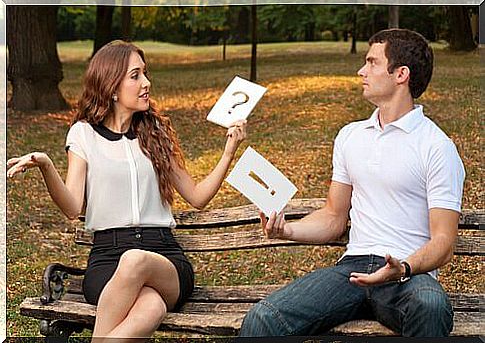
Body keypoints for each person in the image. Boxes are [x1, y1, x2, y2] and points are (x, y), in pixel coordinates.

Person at [7, 40, 247, 341]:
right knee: (151, 310)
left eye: (145, 73)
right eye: (136, 75)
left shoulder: (154, 132)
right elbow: (72, 207)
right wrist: (45, 165)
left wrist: (228, 153)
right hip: (107, 260)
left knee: (136, 259)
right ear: (111, 86)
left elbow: (197, 197)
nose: (146, 83)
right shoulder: (83, 134)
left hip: (164, 259)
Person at [239, 28, 465, 337]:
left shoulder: (436, 147)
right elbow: (334, 216)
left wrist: (405, 268)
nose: (362, 71)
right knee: (264, 318)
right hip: (352, 270)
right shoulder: (350, 136)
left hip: (406, 274)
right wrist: (287, 230)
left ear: (401, 74)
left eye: (372, 62)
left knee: (431, 305)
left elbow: (443, 241)